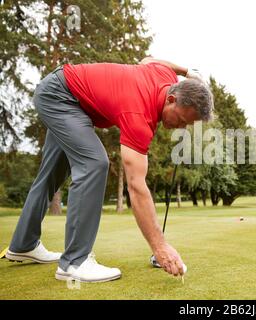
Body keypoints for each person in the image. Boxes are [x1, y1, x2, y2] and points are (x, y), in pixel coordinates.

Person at [5, 57, 214, 283]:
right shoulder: (138, 116)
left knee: (52, 174)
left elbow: (148, 59)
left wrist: (187, 71)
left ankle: (23, 244)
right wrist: (160, 247)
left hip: (66, 93)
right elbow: (136, 186)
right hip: (60, 96)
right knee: (94, 163)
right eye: (182, 120)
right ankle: (75, 263)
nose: (181, 128)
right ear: (171, 99)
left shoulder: (167, 77)